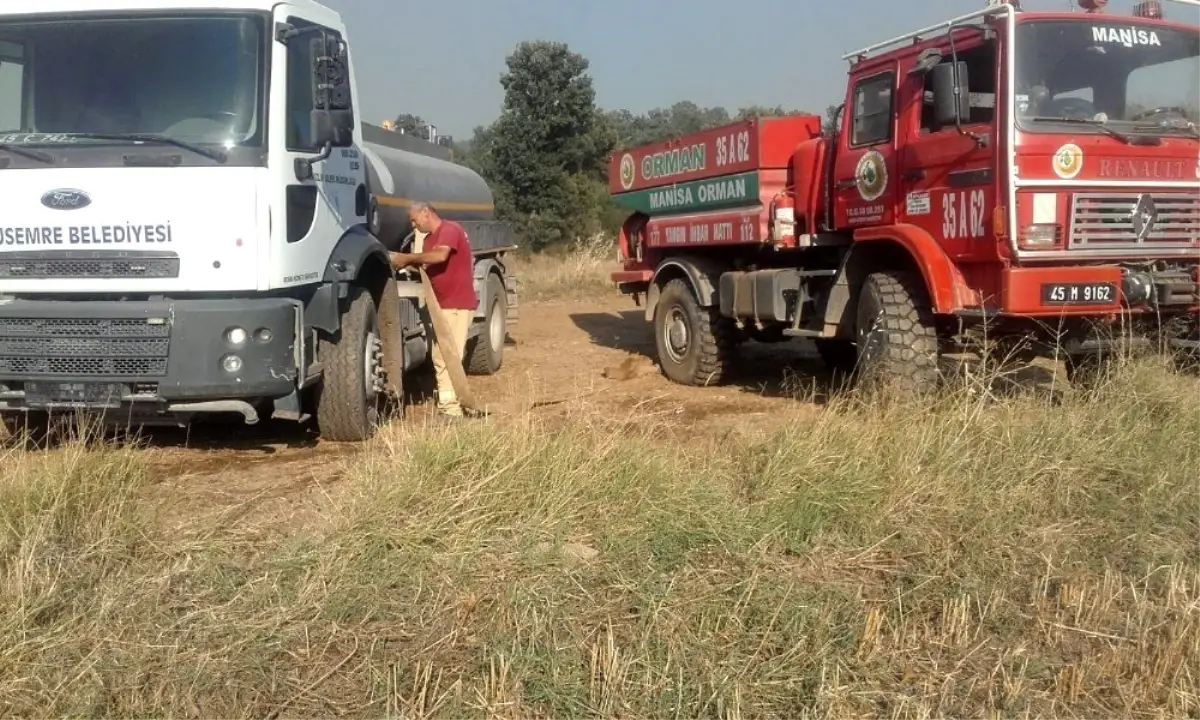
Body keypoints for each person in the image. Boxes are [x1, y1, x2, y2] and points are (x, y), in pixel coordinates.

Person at [389, 201, 478, 419]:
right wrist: (399, 262)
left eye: (414, 218)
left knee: (450, 354)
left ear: (426, 212)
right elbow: (427, 268)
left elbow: (440, 256)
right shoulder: (429, 240)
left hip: (456, 304)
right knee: (441, 355)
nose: (413, 224)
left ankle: (452, 408)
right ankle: (449, 404)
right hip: (442, 305)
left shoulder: (449, 230)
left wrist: (408, 258)